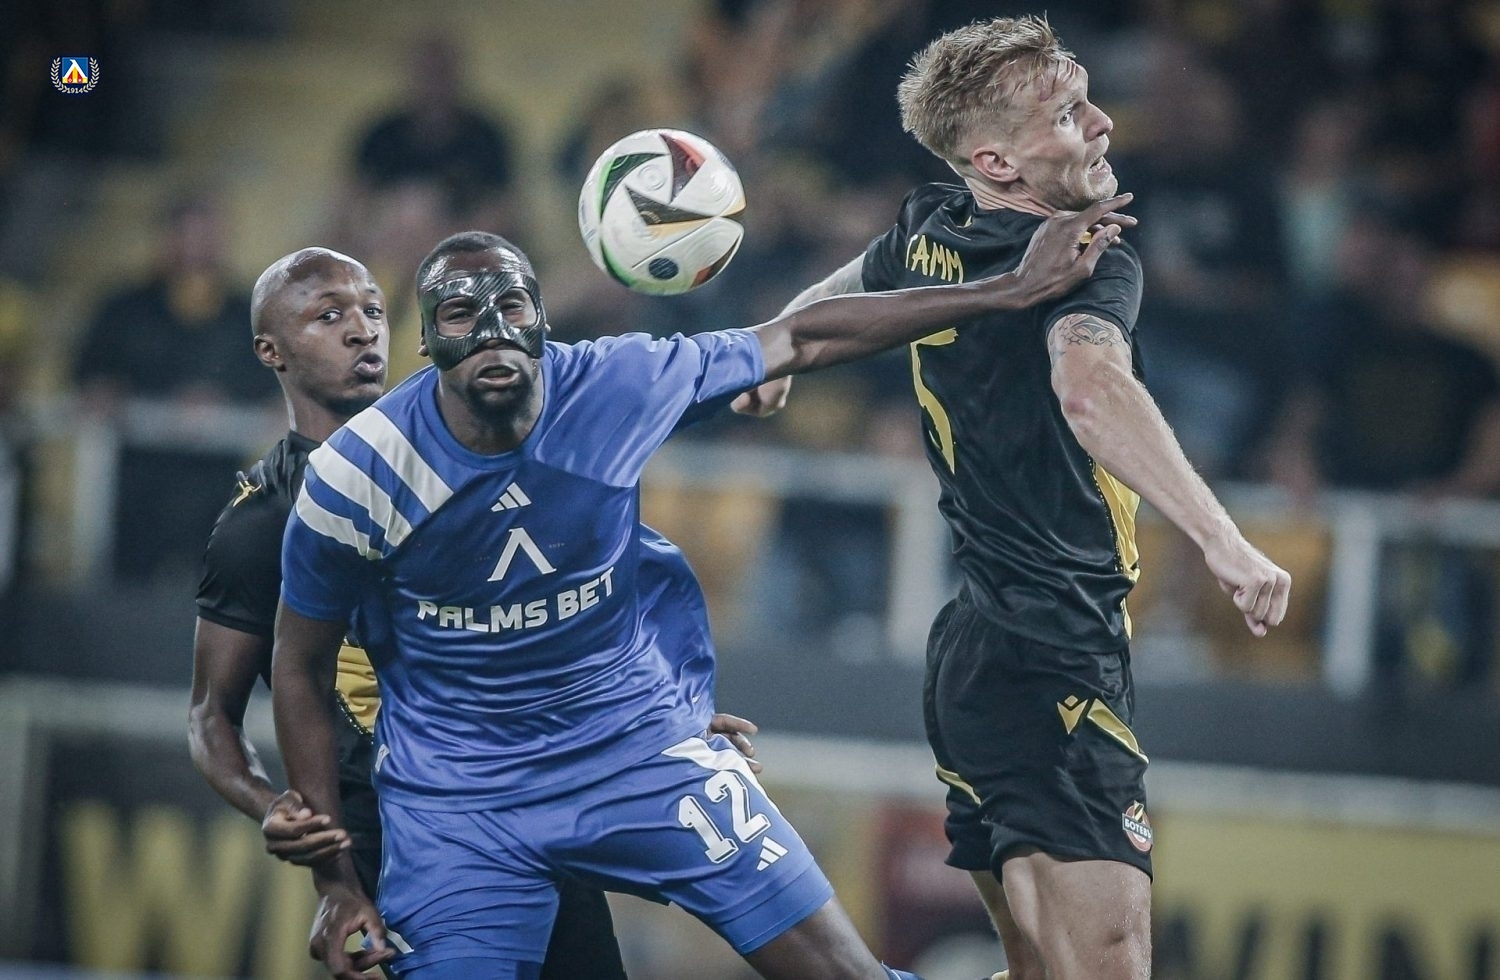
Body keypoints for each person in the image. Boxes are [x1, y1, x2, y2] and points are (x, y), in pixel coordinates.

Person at [271, 212, 1129, 979]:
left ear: (543, 323)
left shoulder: (614, 383)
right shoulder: (359, 474)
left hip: (636, 753)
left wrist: (1008, 290)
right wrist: (336, 884)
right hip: (462, 804)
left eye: (513, 307)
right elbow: (299, 668)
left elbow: (800, 338)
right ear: (427, 341)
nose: (492, 332)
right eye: (461, 315)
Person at [778, 16, 1292, 980]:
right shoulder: (1085, 258)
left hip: (976, 651)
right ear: (997, 162)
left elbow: (847, 292)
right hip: (1053, 653)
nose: (1103, 123)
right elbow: (1089, 388)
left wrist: (778, 349)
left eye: (1089, 99)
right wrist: (1222, 537)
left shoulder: (934, 224)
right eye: (1068, 114)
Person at [187, 246, 768, 979]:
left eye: (373, 310)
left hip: (534, 790)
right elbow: (211, 714)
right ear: (270, 350)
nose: (363, 330)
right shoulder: (262, 522)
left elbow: (566, 617)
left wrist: (660, 723)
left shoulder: (484, 450)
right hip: (398, 835)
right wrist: (278, 813)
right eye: (329, 316)